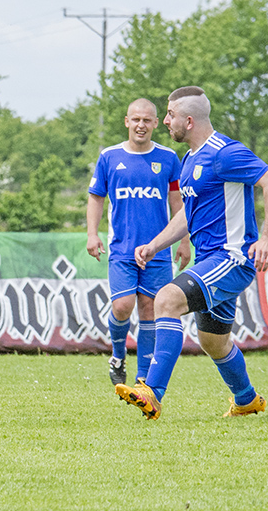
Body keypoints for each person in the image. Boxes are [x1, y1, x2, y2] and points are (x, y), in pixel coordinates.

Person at [116, 86, 268, 420]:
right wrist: (155, 244)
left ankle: (152, 391)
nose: (165, 121)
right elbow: (187, 215)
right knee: (213, 342)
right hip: (209, 261)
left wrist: (267, 239)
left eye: (170, 115)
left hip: (232, 258)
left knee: (167, 299)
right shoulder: (190, 159)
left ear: (189, 120)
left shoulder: (224, 153)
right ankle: (247, 399)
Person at [87, 98, 191, 386]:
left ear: (157, 123)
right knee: (122, 306)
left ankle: (143, 379)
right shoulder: (109, 157)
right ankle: (118, 355)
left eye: (147, 120)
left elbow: (178, 202)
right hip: (121, 248)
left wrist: (183, 242)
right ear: (126, 121)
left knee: (150, 308)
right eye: (136, 119)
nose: (141, 125)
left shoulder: (169, 158)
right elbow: (96, 197)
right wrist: (92, 233)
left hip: (158, 249)